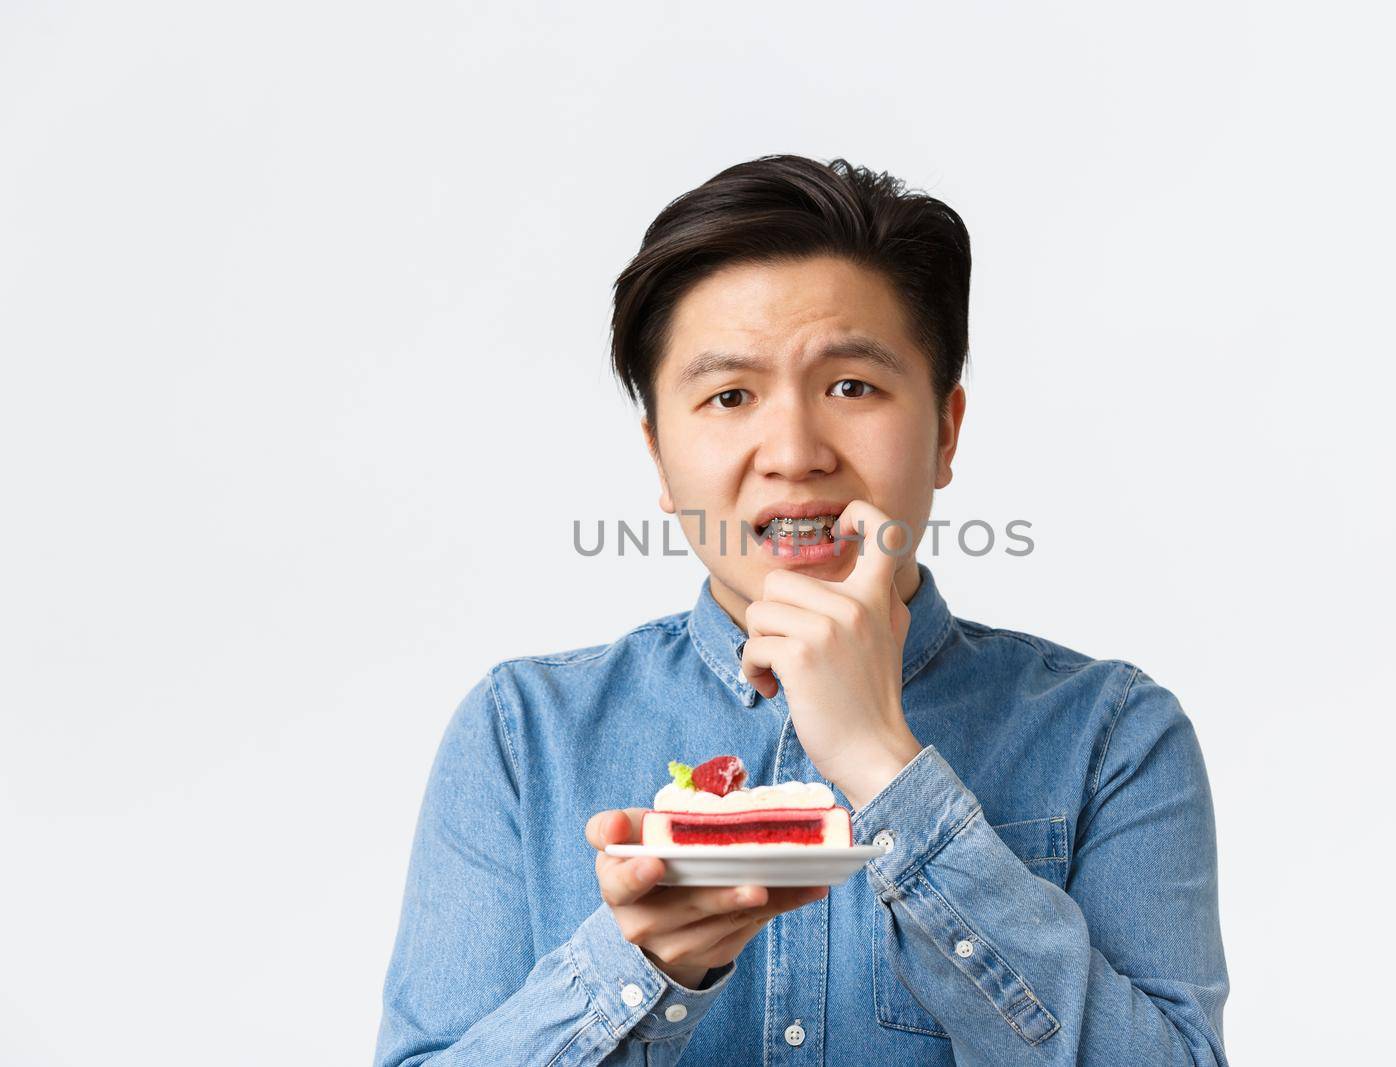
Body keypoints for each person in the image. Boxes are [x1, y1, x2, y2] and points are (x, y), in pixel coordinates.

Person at [373, 154, 1229, 1066]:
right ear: (661, 458)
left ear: (946, 430)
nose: (794, 451)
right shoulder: (522, 732)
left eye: (852, 386)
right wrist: (639, 965)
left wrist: (886, 770)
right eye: (730, 395)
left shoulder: (1112, 733)